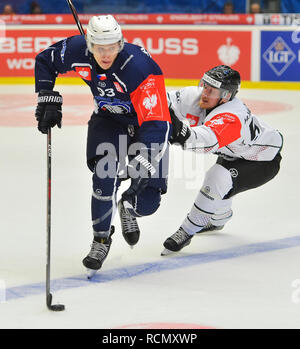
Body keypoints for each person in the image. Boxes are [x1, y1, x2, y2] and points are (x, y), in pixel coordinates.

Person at [34, 15, 171, 277]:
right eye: (100, 48)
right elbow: (45, 61)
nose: (106, 54)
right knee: (104, 174)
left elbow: (158, 123)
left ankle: (128, 203)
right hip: (108, 120)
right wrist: (47, 97)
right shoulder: (77, 50)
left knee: (149, 201)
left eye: (112, 47)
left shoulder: (140, 67)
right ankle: (100, 239)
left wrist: (143, 159)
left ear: (121, 43)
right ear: (90, 44)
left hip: (146, 126)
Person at [161, 65, 283, 255]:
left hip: (262, 161)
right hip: (234, 154)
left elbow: (202, 144)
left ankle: (187, 230)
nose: (204, 92)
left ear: (226, 96)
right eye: (204, 85)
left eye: (212, 90)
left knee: (218, 177)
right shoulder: (197, 96)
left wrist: (175, 130)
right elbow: (161, 103)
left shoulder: (232, 117)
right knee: (224, 186)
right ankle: (218, 220)